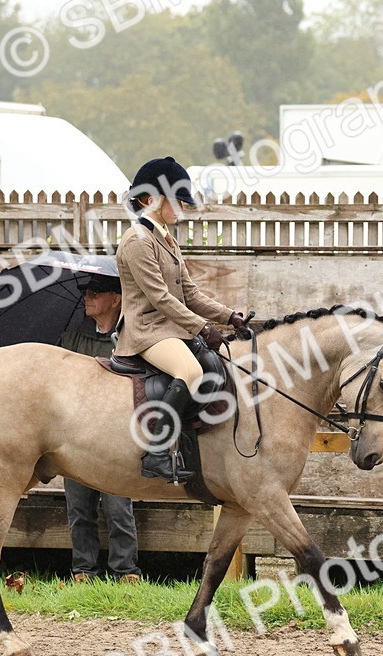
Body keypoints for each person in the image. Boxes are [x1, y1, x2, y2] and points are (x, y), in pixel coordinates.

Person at [114, 156, 247, 484]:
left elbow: (190, 293)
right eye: (177, 200)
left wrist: (229, 316)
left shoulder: (165, 239)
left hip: (170, 329)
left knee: (218, 362)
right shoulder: (137, 241)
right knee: (190, 371)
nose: (183, 207)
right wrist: (204, 328)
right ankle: (155, 452)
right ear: (152, 200)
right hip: (147, 331)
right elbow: (161, 298)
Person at [57, 269, 142, 583]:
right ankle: (83, 571)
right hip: (74, 435)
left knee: (119, 507)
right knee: (78, 508)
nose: (86, 298)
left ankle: (126, 571)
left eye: (94, 292)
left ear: (115, 299)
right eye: (85, 292)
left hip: (117, 436)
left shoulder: (132, 337)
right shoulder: (69, 337)